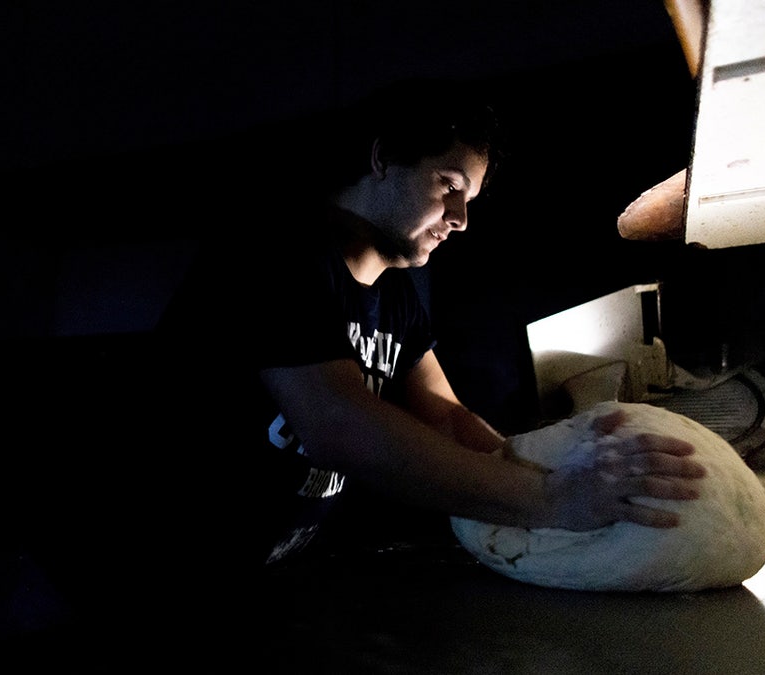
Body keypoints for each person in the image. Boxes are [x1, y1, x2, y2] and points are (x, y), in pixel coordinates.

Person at [151, 78, 706, 582]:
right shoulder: (276, 254)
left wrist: (550, 466)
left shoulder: (398, 293)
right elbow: (336, 424)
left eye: (471, 199)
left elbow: (445, 415)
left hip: (262, 568)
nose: (461, 217)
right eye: (449, 185)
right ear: (384, 158)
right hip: (158, 562)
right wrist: (548, 498)